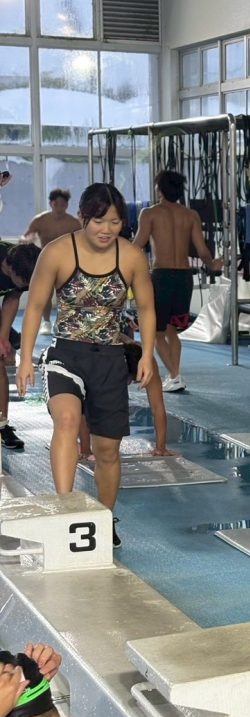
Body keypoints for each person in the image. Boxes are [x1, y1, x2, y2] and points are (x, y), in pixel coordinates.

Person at [16, 183, 156, 548]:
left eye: (115, 222)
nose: (106, 230)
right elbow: (34, 307)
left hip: (110, 358)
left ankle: (105, 517)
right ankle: (65, 512)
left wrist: (147, 354)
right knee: (66, 420)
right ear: (82, 217)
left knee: (107, 450)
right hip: (65, 354)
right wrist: (25, 359)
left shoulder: (131, 257)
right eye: (98, 221)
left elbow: (146, 308)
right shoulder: (57, 252)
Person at [133, 169, 223, 394]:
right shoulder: (190, 215)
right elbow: (202, 250)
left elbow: (138, 245)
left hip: (162, 276)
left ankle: (174, 376)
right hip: (184, 277)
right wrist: (212, 265)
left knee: (156, 332)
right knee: (172, 330)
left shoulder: (149, 213)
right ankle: (175, 376)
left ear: (159, 189)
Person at [21, 188, 82, 336]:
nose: (59, 208)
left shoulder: (73, 223)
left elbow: (83, 243)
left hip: (67, 262)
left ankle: (65, 321)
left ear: (67, 205)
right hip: (45, 261)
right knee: (46, 293)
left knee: (67, 293)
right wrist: (26, 240)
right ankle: (46, 322)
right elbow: (26, 235)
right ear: (51, 204)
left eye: (63, 205)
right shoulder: (40, 220)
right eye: (56, 204)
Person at [0, 243, 41, 451]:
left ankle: (1, 424)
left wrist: (3, 338)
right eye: (23, 282)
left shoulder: (24, 264)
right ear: (8, 268)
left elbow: (12, 297)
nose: (26, 287)